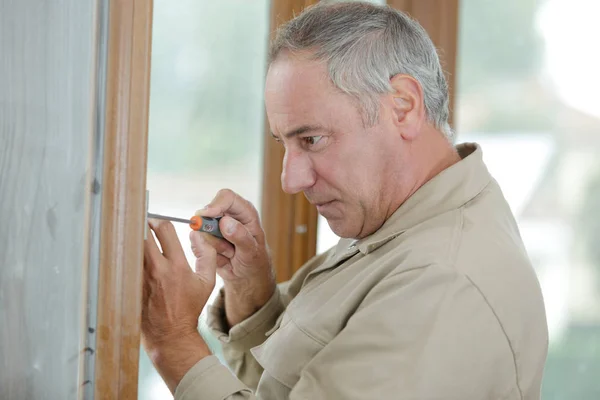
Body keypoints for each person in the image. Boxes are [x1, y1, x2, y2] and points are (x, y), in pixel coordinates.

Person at [141, 2, 548, 399]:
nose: (290, 180)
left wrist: (172, 340)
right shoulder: (391, 221)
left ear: (403, 107)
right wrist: (251, 292)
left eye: (312, 139)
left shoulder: (440, 282)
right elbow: (285, 386)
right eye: (284, 143)